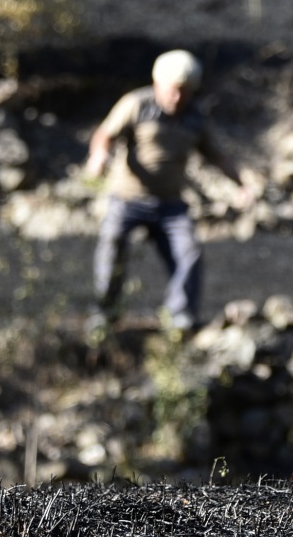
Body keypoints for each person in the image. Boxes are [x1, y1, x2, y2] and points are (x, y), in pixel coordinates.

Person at [84, 49, 237, 335]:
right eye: (173, 91)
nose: (177, 98)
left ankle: (180, 316)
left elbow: (218, 156)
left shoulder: (195, 118)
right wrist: (99, 156)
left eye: (185, 92)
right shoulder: (136, 104)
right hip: (128, 199)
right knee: (112, 243)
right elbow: (105, 134)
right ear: (158, 84)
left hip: (170, 204)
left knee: (189, 253)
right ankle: (105, 311)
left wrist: (241, 185)